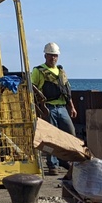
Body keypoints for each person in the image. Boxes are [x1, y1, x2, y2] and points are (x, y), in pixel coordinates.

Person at [30, 42, 77, 175]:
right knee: (50, 138)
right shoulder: (38, 71)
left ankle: (66, 159)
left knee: (70, 134)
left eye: (55, 56)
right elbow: (33, 89)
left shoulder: (61, 72)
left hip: (62, 107)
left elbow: (67, 92)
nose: (53, 58)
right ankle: (52, 164)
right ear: (45, 55)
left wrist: (72, 107)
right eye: (50, 55)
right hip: (48, 107)